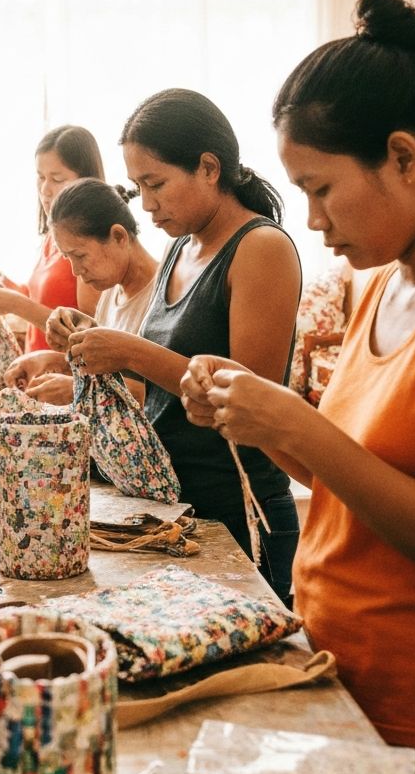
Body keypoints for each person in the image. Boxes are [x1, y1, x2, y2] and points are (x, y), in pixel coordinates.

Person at [180, 0, 415, 774]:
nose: (310, 219)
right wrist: (252, 414)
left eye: (321, 188)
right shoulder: (385, 286)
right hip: (340, 674)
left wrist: (298, 426)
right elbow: (351, 478)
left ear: (405, 159)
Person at [66, 89, 302, 603]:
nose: (146, 204)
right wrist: (89, 352)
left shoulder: (261, 248)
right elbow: (162, 386)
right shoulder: (179, 249)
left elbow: (252, 400)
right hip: (174, 506)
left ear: (209, 168)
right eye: (138, 187)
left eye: (156, 184)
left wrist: (129, 351)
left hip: (237, 510)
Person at [3, 178, 158, 404]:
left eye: (80, 256)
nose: (76, 271)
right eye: (68, 258)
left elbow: (165, 397)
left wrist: (77, 389)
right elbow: (113, 373)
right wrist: (51, 361)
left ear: (119, 236)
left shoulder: (163, 293)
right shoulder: (111, 292)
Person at [0, 125, 102, 351]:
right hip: (36, 366)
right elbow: (47, 298)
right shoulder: (53, 235)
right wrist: (12, 289)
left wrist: (15, 304)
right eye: (40, 177)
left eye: (57, 179)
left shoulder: (90, 244)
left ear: (85, 181)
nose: (45, 189)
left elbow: (88, 333)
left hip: (63, 370)